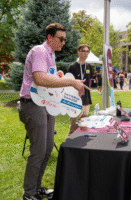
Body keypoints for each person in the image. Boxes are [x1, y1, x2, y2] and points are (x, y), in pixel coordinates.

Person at [19, 23, 90, 200]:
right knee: (38, 150)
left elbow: (48, 79)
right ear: (50, 37)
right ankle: (29, 194)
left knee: (48, 147)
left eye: (65, 39)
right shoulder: (40, 51)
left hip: (46, 104)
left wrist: (62, 81)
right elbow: (40, 78)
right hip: (32, 104)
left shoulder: (50, 55)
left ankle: (37, 188)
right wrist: (71, 82)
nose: (64, 42)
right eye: (61, 39)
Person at [68, 44, 93, 135]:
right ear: (78, 52)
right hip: (75, 101)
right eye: (83, 51)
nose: (86, 53)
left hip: (86, 101)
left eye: (87, 51)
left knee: (83, 127)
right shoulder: (72, 67)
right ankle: (69, 147)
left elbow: (88, 82)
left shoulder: (89, 67)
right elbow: (68, 84)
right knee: (74, 128)